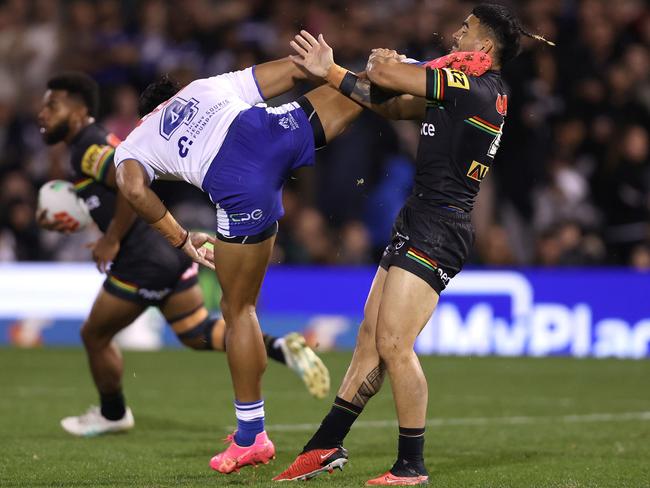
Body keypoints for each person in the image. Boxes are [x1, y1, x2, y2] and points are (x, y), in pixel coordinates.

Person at [275, 4, 553, 486]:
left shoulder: (477, 87)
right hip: (419, 218)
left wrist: (379, 62)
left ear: (483, 46)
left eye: (466, 29)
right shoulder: (458, 88)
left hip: (440, 227)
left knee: (395, 344)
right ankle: (323, 446)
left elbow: (384, 73)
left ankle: (411, 466)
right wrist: (343, 74)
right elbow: (387, 101)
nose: (457, 34)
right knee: (370, 338)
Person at [36, 72, 331, 439]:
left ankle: (112, 414)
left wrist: (111, 239)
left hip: (143, 256)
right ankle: (279, 347)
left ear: (79, 110)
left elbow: (130, 189)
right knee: (196, 331)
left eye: (52, 104)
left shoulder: (88, 147)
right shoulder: (94, 144)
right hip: (166, 251)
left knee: (94, 334)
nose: (42, 113)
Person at [113, 57, 367, 473]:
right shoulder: (202, 86)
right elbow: (293, 69)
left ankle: (252, 437)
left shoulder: (136, 141)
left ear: (146, 114)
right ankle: (446, 82)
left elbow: (132, 187)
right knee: (366, 88)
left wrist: (180, 239)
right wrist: (326, 66)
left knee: (238, 309)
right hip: (271, 131)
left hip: (239, 184)